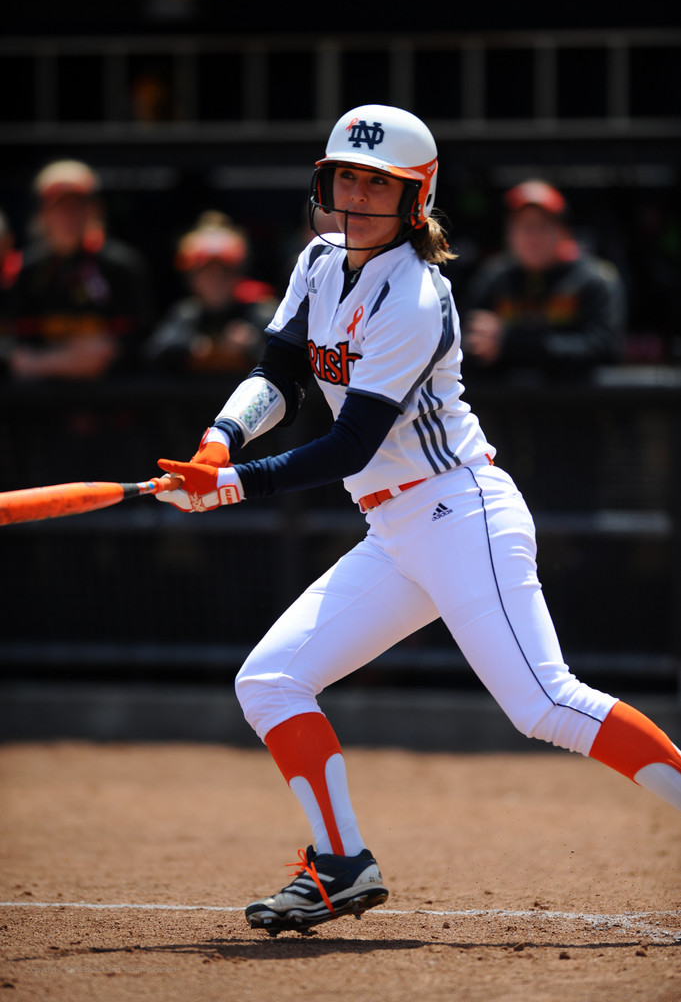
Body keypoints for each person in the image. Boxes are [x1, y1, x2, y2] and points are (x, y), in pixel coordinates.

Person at [154, 105, 681, 937]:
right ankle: (339, 864)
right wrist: (220, 439)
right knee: (269, 682)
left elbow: (351, 442)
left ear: (416, 195)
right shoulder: (318, 261)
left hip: (459, 514)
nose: (357, 196)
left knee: (544, 704)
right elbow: (281, 374)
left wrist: (232, 486)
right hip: (396, 529)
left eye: (379, 183)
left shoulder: (415, 292)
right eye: (346, 177)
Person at [1, 160, 154, 380]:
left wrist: (43, 361)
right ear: (42, 213)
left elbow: (136, 344)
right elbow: (15, 350)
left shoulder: (121, 266)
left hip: (109, 396)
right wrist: (63, 361)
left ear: (94, 210)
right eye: (59, 207)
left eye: (78, 206)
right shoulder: (23, 270)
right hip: (39, 397)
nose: (69, 216)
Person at [462, 179, 625, 377]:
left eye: (542, 226)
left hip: (574, 394)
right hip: (507, 396)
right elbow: (465, 346)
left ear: (563, 232)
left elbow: (603, 350)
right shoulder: (493, 277)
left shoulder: (594, 279)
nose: (533, 237)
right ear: (508, 234)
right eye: (523, 226)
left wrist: (512, 343)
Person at [143, 211, 277, 375]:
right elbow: (153, 353)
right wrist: (196, 346)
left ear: (237, 275)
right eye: (206, 274)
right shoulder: (186, 313)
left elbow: (288, 359)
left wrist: (252, 344)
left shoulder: (261, 313)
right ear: (191, 279)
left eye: (223, 273)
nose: (215, 281)